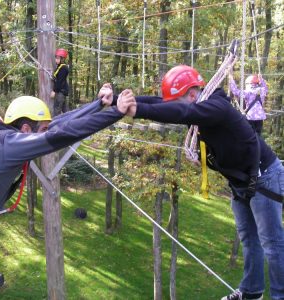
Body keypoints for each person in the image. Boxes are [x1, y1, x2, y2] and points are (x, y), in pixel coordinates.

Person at [117, 65, 284, 300]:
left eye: (178, 100)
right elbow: (164, 103)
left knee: (273, 244)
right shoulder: (199, 105)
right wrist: (117, 100)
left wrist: (137, 110)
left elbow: (181, 113)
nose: (174, 105)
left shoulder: (216, 107)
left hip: (264, 176)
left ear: (192, 95)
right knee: (250, 239)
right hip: (242, 181)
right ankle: (252, 291)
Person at [0, 83, 131, 226]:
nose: (46, 132)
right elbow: (60, 134)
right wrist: (116, 113)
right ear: (26, 129)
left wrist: (99, 104)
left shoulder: (8, 141)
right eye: (43, 129)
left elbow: (60, 123)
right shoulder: (11, 146)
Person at [50, 48, 69, 116]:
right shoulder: (59, 67)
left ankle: (56, 125)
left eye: (58, 58)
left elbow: (60, 81)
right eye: (56, 58)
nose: (56, 60)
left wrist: (54, 91)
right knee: (65, 111)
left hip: (60, 92)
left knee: (57, 110)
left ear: (62, 59)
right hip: (62, 92)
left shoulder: (63, 68)